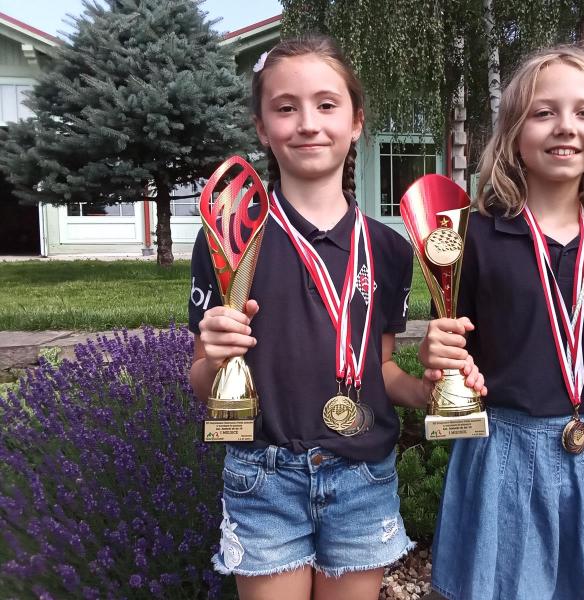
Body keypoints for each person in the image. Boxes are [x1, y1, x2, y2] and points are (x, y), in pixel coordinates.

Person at [188, 35, 485, 600]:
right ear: (261, 127)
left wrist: (430, 391)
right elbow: (202, 380)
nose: (308, 123)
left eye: (327, 105)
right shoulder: (230, 238)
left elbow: (382, 371)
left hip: (362, 477)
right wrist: (216, 358)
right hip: (264, 475)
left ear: (356, 123)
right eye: (286, 107)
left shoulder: (390, 250)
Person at [419, 46, 584, 600]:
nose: (565, 126)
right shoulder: (474, 238)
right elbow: (452, 345)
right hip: (505, 449)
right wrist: (441, 359)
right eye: (544, 112)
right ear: (514, 132)